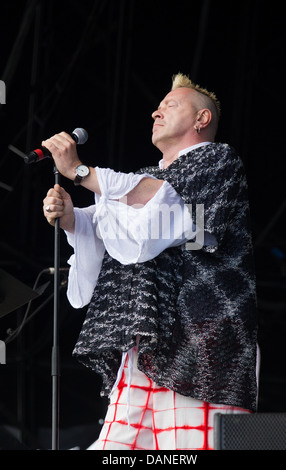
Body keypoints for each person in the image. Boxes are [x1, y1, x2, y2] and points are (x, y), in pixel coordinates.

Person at [42, 73, 258, 450]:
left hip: (201, 344)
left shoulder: (218, 161)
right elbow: (118, 229)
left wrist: (81, 172)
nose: (156, 111)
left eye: (170, 105)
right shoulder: (142, 178)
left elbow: (172, 208)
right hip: (144, 346)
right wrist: (73, 217)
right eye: (158, 106)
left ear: (201, 120)